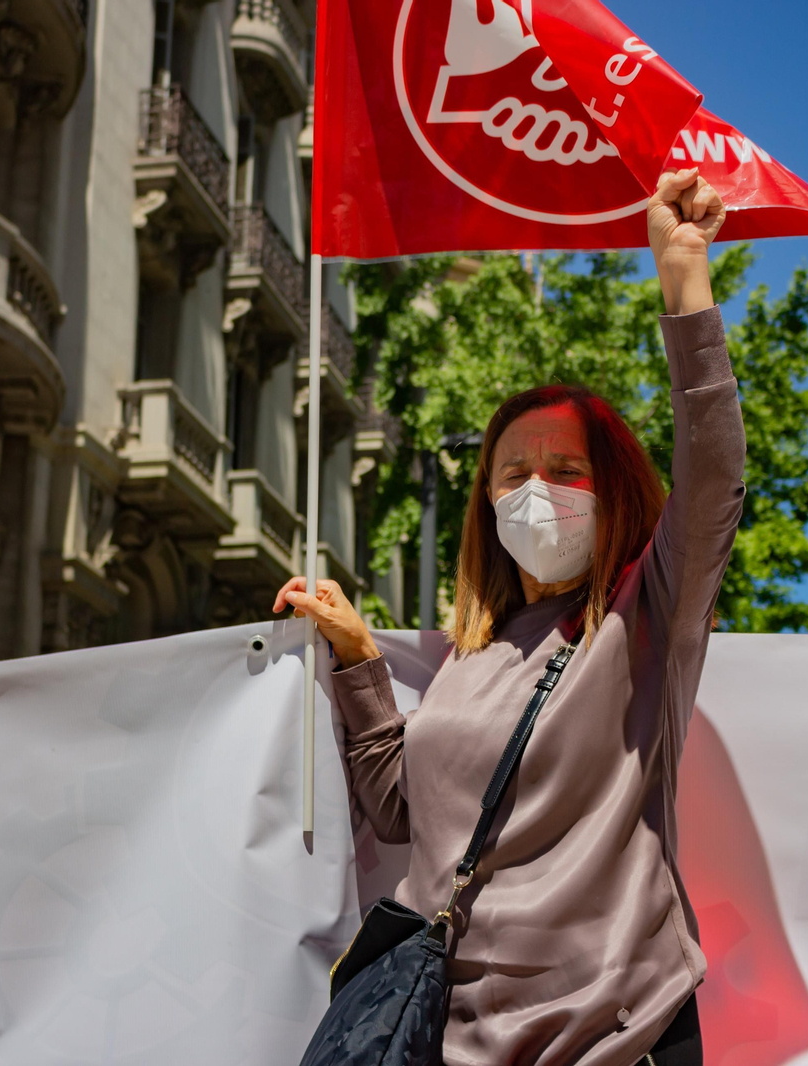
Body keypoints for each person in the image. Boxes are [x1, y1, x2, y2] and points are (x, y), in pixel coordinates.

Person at [272, 169, 744, 1066]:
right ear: (486, 500)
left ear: (614, 490)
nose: (536, 492)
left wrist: (685, 278)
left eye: (566, 471)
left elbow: (715, 475)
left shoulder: (645, 617)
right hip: (449, 1040)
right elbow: (403, 813)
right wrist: (361, 661)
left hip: (609, 1037)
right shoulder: (470, 656)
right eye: (513, 474)